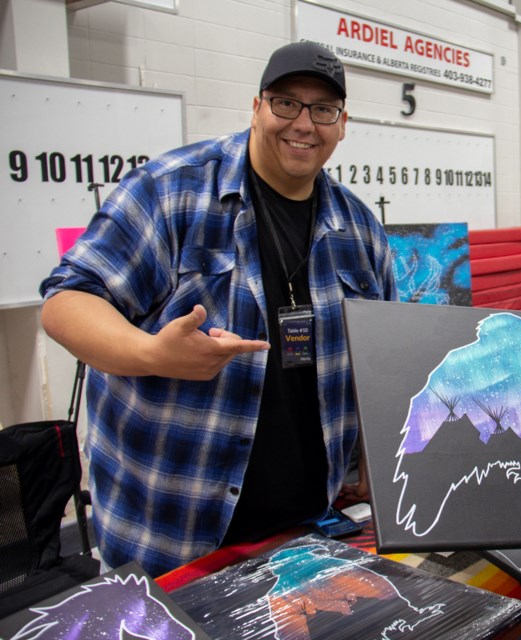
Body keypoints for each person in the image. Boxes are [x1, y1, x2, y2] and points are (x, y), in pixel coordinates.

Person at [39, 41, 396, 577]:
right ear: (256, 107)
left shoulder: (358, 228)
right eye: (286, 104)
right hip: (171, 532)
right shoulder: (171, 191)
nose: (304, 123)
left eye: (323, 110)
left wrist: (376, 471)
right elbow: (67, 301)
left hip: (307, 532)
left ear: (341, 125)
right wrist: (152, 353)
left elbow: (382, 355)